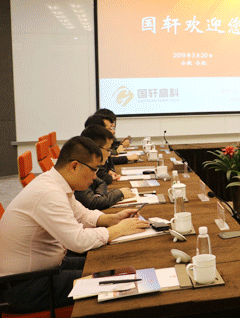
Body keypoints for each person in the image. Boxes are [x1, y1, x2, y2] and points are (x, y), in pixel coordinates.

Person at [0, 136, 149, 313]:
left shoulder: (55, 182)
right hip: (24, 287)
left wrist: (113, 219)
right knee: (118, 281)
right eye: (93, 170)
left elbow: (82, 215)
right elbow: (78, 241)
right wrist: (117, 230)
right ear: (74, 166)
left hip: (47, 270)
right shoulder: (48, 192)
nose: (95, 177)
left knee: (109, 264)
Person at [76, 125, 135, 209]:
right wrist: (119, 194)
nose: (109, 154)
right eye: (108, 150)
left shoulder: (90, 166)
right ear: (95, 148)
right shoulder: (80, 168)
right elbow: (92, 203)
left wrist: (99, 196)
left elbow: (101, 183)